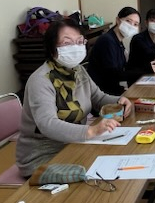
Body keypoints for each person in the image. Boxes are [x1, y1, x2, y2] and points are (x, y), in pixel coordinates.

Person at [16, 19, 133, 177]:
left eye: (79, 42)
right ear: (52, 48)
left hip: (74, 144)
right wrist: (91, 131)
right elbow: (47, 124)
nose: (75, 47)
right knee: (99, 173)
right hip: (42, 157)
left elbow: (98, 97)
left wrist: (119, 101)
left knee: (113, 161)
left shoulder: (78, 71)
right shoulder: (41, 80)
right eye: (67, 43)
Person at [87, 6, 142, 95]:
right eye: (128, 21)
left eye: (135, 24)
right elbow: (112, 75)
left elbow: (124, 68)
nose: (131, 26)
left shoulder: (118, 41)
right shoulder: (107, 41)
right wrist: (143, 72)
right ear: (118, 20)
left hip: (111, 88)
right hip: (101, 93)